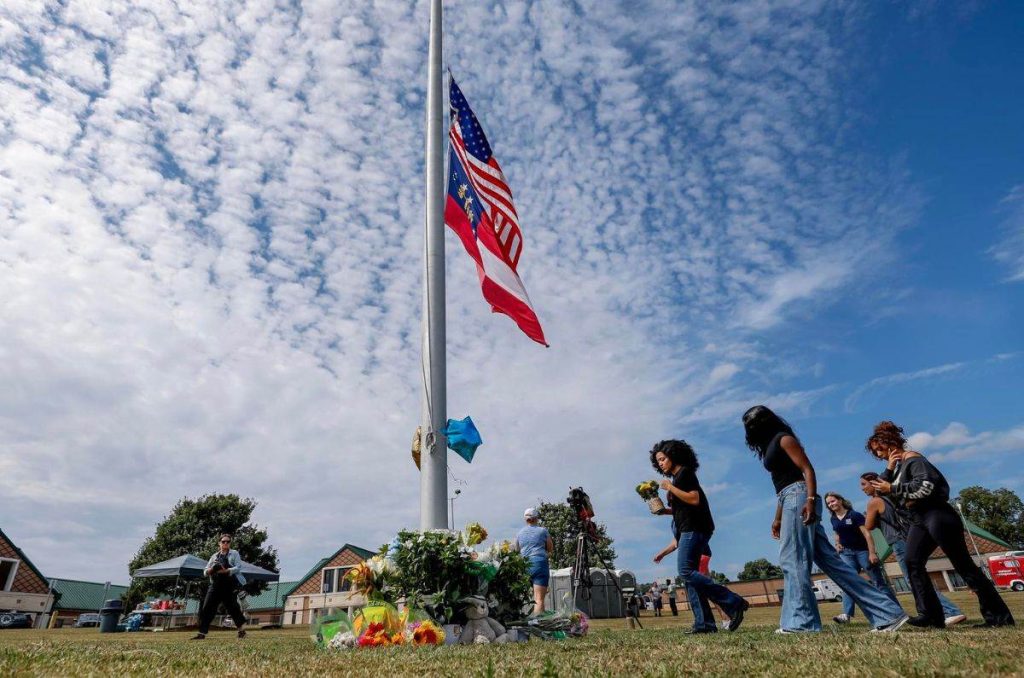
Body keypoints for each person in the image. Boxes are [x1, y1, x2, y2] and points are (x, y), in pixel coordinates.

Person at [742, 405, 908, 634]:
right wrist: (777, 517)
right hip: (788, 498)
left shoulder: (784, 439)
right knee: (833, 563)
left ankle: (802, 623)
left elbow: (807, 470)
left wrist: (810, 500)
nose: (750, 428)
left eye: (753, 423)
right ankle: (888, 613)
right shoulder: (770, 444)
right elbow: (782, 484)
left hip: (799, 497)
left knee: (793, 559)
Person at [866, 421, 1014, 628]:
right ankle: (931, 615)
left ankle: (999, 617)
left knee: (962, 564)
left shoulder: (914, 459)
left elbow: (926, 487)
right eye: (875, 453)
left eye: (879, 450)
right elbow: (879, 491)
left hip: (937, 514)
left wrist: (892, 487)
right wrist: (889, 468)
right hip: (919, 518)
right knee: (912, 561)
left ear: (890, 444)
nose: (878, 455)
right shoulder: (898, 466)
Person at [651, 439, 748, 634]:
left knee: (686, 571)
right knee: (690, 579)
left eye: (663, 459)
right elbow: (683, 507)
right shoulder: (678, 478)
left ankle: (734, 602)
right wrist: (666, 511)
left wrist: (670, 488)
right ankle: (704, 624)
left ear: (674, 455)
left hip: (694, 528)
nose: (660, 463)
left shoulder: (684, 473)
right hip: (689, 527)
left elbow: (694, 499)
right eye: (658, 461)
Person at [859, 472, 967, 627]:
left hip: (897, 540)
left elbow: (868, 525)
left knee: (914, 580)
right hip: (909, 536)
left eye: (864, 484)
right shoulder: (893, 497)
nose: (862, 489)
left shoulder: (874, 502)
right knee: (918, 577)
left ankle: (951, 611)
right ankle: (936, 613)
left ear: (873, 484)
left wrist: (872, 517)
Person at [824, 491, 898, 624]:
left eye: (833, 501)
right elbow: (837, 532)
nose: (831, 504)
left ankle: (896, 610)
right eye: (828, 503)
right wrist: (838, 543)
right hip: (847, 553)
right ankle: (846, 615)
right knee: (848, 581)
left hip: (863, 551)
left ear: (840, 500)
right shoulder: (833, 518)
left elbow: (867, 534)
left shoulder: (854, 515)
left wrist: (872, 553)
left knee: (877, 581)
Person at [192, 533, 247, 640]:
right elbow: (205, 571)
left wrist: (227, 570)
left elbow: (238, 567)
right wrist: (213, 569)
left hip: (228, 584)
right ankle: (201, 633)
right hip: (215, 585)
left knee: (233, 608)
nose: (225, 543)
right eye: (223, 541)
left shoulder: (234, 553)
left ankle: (241, 631)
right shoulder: (214, 556)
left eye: (228, 541)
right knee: (207, 607)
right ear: (219, 543)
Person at [514, 507, 553, 616]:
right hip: (539, 564)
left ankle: (539, 618)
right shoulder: (542, 531)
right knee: (539, 599)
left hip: (525, 566)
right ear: (536, 518)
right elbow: (550, 548)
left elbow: (516, 550)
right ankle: (538, 623)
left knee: (535, 597)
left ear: (525, 519)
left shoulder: (519, 533)